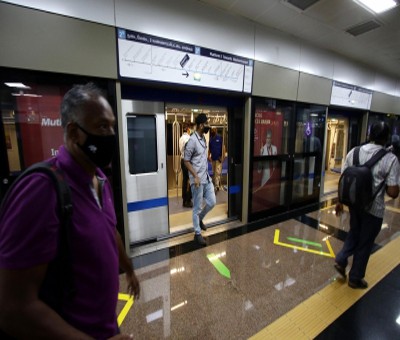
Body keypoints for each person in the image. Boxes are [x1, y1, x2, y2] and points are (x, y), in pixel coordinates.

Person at [0, 83, 140, 339]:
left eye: (112, 126)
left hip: (105, 329)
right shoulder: (41, 190)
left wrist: (128, 269)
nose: (110, 135)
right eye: (101, 127)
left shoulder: (101, 180)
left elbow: (110, 232)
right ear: (75, 132)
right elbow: (14, 309)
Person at [334, 121, 399, 289]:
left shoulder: (353, 152)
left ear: (369, 135)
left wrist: (340, 202)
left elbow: (343, 180)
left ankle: (342, 259)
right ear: (386, 139)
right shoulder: (390, 160)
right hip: (374, 209)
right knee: (365, 242)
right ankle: (355, 278)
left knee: (354, 232)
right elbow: (393, 192)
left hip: (354, 205)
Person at [184, 113, 216, 246]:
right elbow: (186, 161)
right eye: (206, 124)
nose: (208, 126)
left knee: (212, 202)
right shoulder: (192, 140)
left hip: (206, 177)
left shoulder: (203, 139)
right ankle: (197, 234)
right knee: (197, 208)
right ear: (201, 125)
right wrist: (195, 176)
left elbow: (201, 157)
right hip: (197, 180)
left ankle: (200, 219)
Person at [179, 123, 193, 208]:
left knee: (185, 180)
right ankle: (188, 200)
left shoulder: (181, 138)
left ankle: (184, 199)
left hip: (182, 160)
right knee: (189, 181)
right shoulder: (188, 138)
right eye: (190, 129)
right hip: (187, 161)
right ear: (188, 129)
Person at [208, 128, 225, 193]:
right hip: (213, 159)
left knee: (217, 172)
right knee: (214, 172)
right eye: (212, 130)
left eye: (214, 130)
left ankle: (216, 186)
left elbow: (223, 147)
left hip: (218, 159)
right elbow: (209, 149)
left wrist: (223, 157)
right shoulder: (211, 139)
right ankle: (216, 185)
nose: (213, 131)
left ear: (216, 130)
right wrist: (208, 155)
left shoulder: (220, 138)